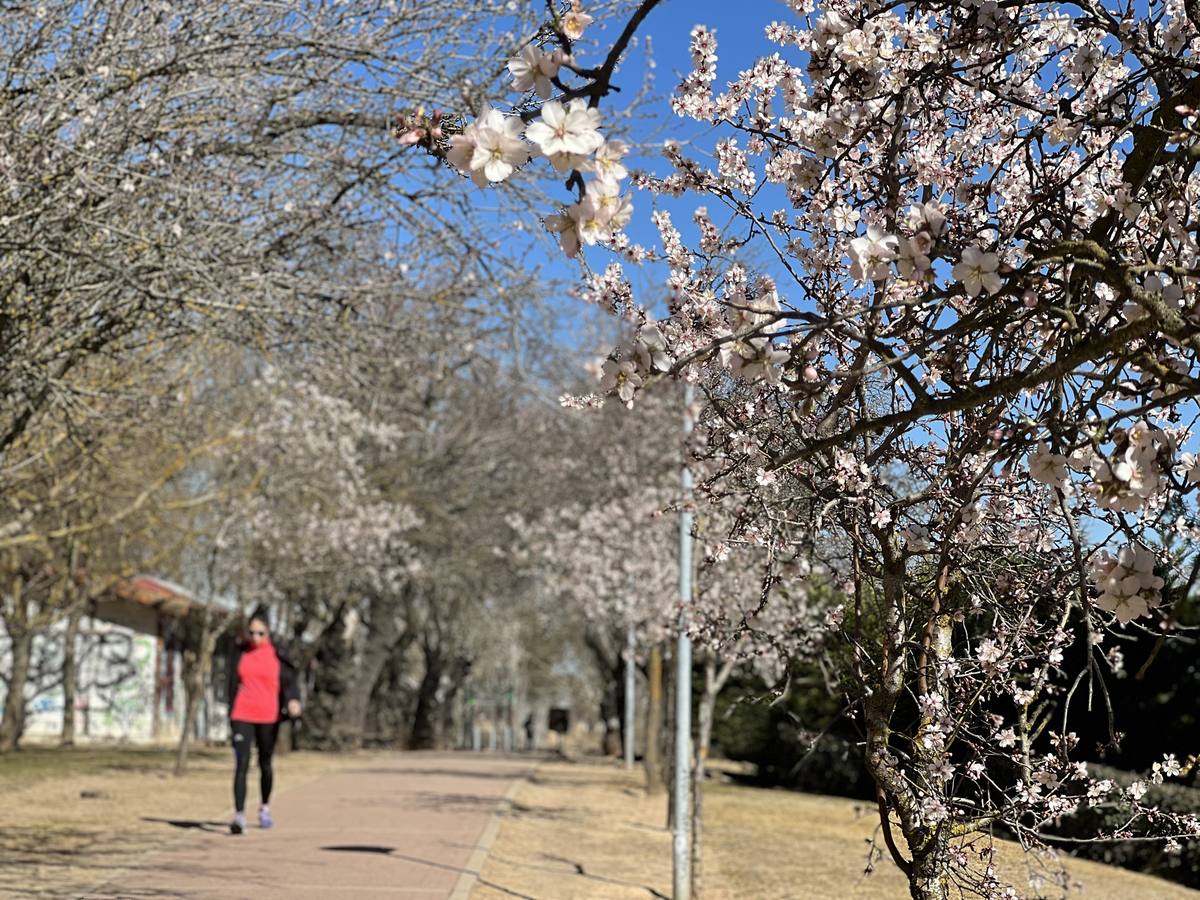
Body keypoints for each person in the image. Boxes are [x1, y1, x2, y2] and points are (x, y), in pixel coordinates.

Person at [224, 607, 301, 835]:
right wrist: (230, 708)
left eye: (260, 633)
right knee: (241, 764)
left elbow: (290, 681)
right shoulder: (239, 652)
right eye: (252, 633)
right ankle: (239, 816)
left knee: (265, 763)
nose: (255, 638)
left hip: (268, 715)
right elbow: (229, 680)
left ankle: (264, 808)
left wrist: (294, 700)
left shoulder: (278, 654)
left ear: (268, 632)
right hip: (242, 713)